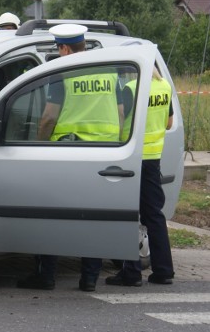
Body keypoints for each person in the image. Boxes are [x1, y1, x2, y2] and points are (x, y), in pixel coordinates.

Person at [17, 24, 123, 292]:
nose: (58, 53)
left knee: (54, 216)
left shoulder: (63, 73)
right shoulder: (108, 71)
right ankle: (89, 279)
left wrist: (38, 147)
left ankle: (46, 275)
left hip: (68, 151)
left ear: (64, 48)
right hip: (104, 152)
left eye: (58, 49)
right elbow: (121, 114)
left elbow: (49, 117)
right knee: (94, 219)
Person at [106, 68, 175, 287]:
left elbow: (119, 121)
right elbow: (169, 123)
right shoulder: (164, 85)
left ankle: (131, 273)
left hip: (132, 157)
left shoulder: (130, 88)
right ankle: (164, 271)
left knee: (128, 214)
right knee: (154, 214)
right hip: (153, 158)